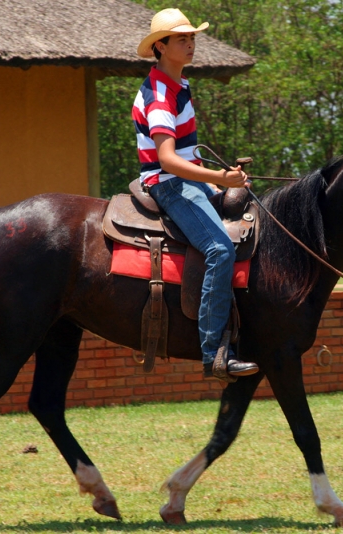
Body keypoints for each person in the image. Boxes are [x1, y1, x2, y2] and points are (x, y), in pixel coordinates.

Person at [133, 8, 258, 380]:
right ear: (160, 46)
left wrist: (218, 184)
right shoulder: (159, 94)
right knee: (220, 249)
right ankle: (214, 353)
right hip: (169, 185)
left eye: (192, 38)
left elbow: (187, 152)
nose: (190, 44)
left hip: (190, 181)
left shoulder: (179, 84)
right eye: (182, 39)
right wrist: (219, 176)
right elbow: (168, 160)